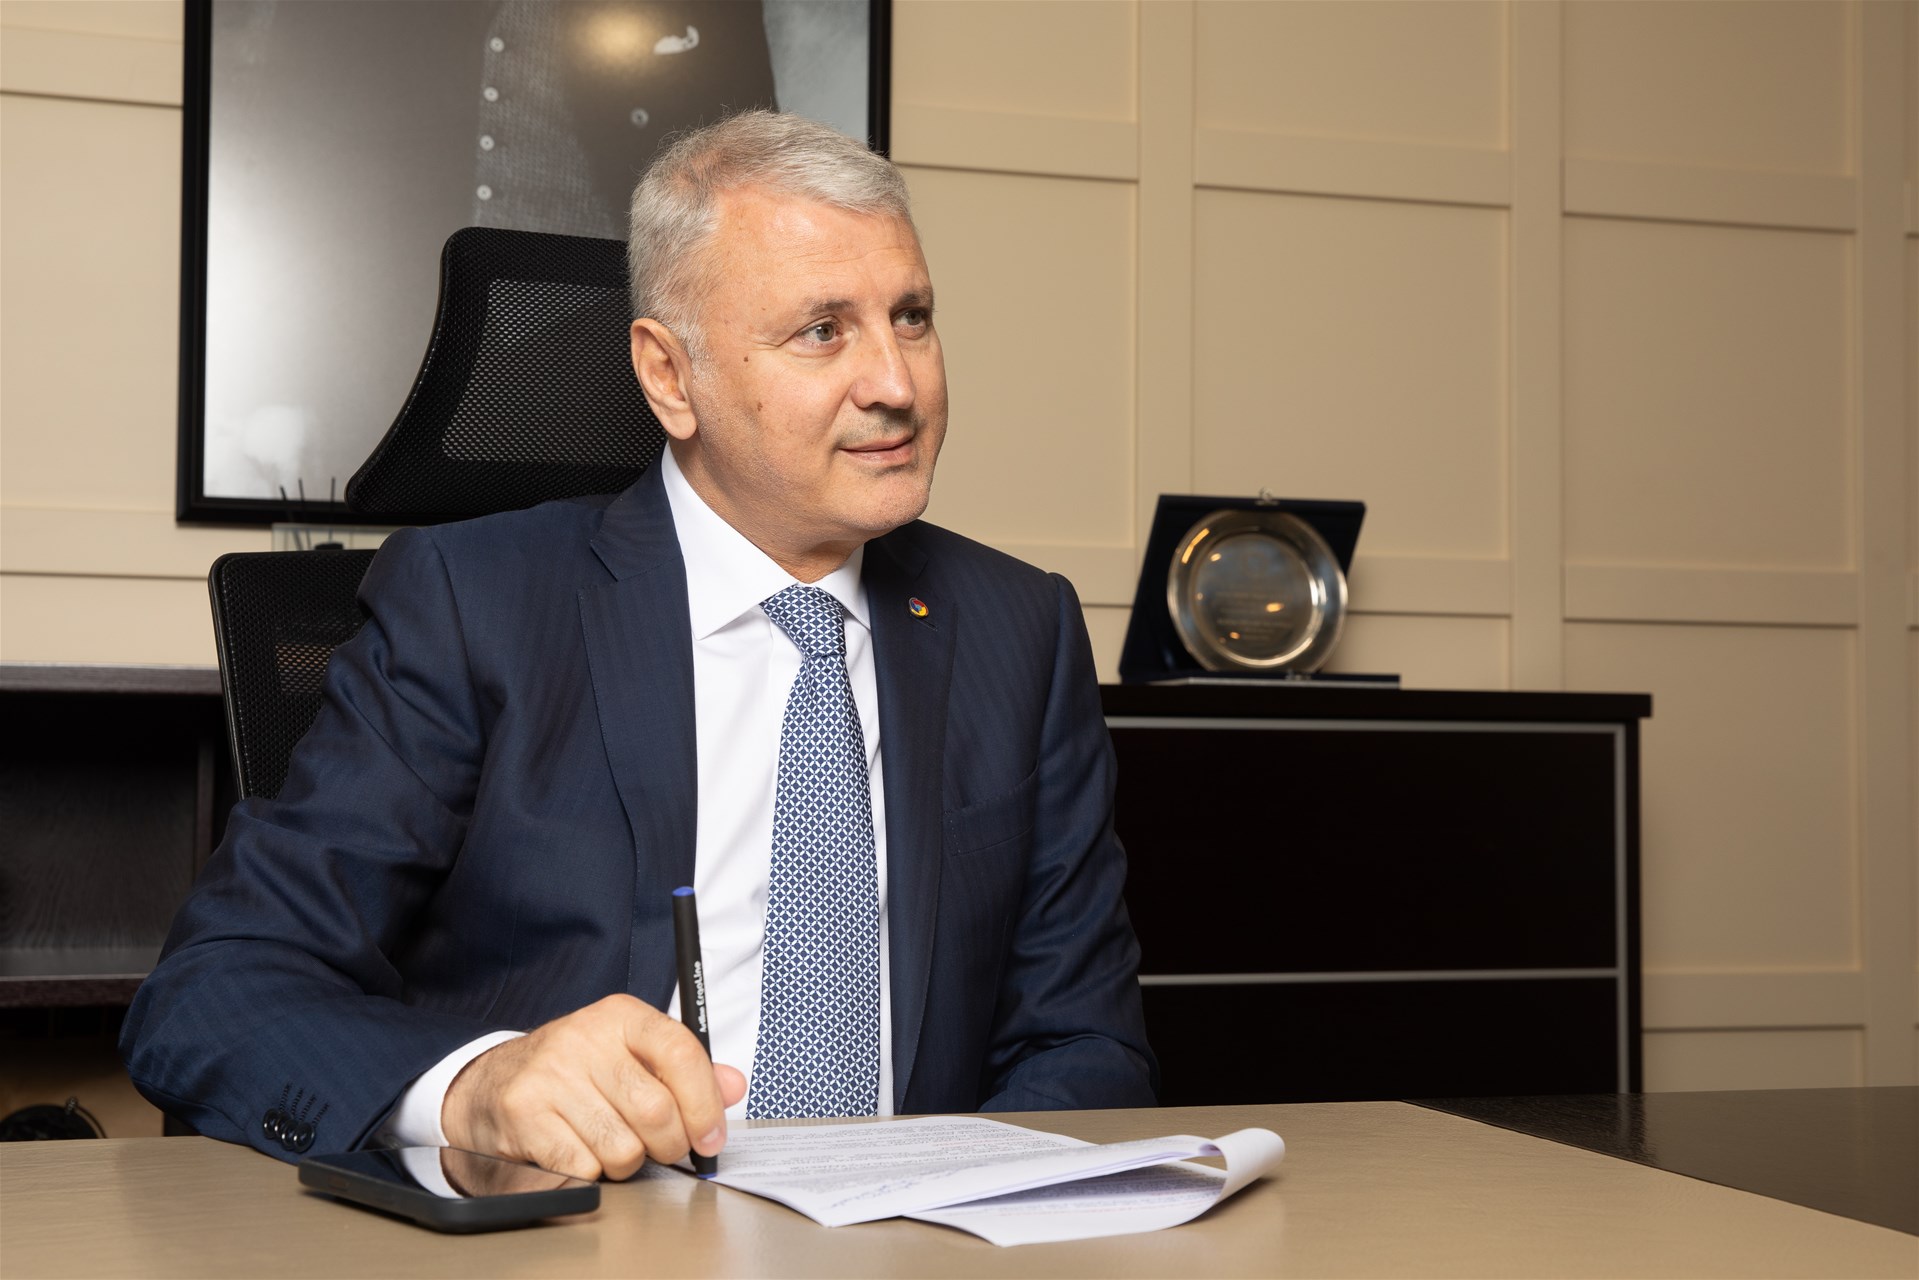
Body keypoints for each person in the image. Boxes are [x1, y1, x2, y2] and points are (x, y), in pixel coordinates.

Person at [123, 111, 1156, 1180]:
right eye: (822, 331)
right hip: (582, 1225)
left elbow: (1084, 1043)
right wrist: (476, 1089)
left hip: (912, 1228)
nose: (897, 384)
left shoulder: (1018, 627)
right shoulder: (478, 606)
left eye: (912, 318)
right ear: (669, 376)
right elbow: (214, 992)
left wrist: (956, 1209)